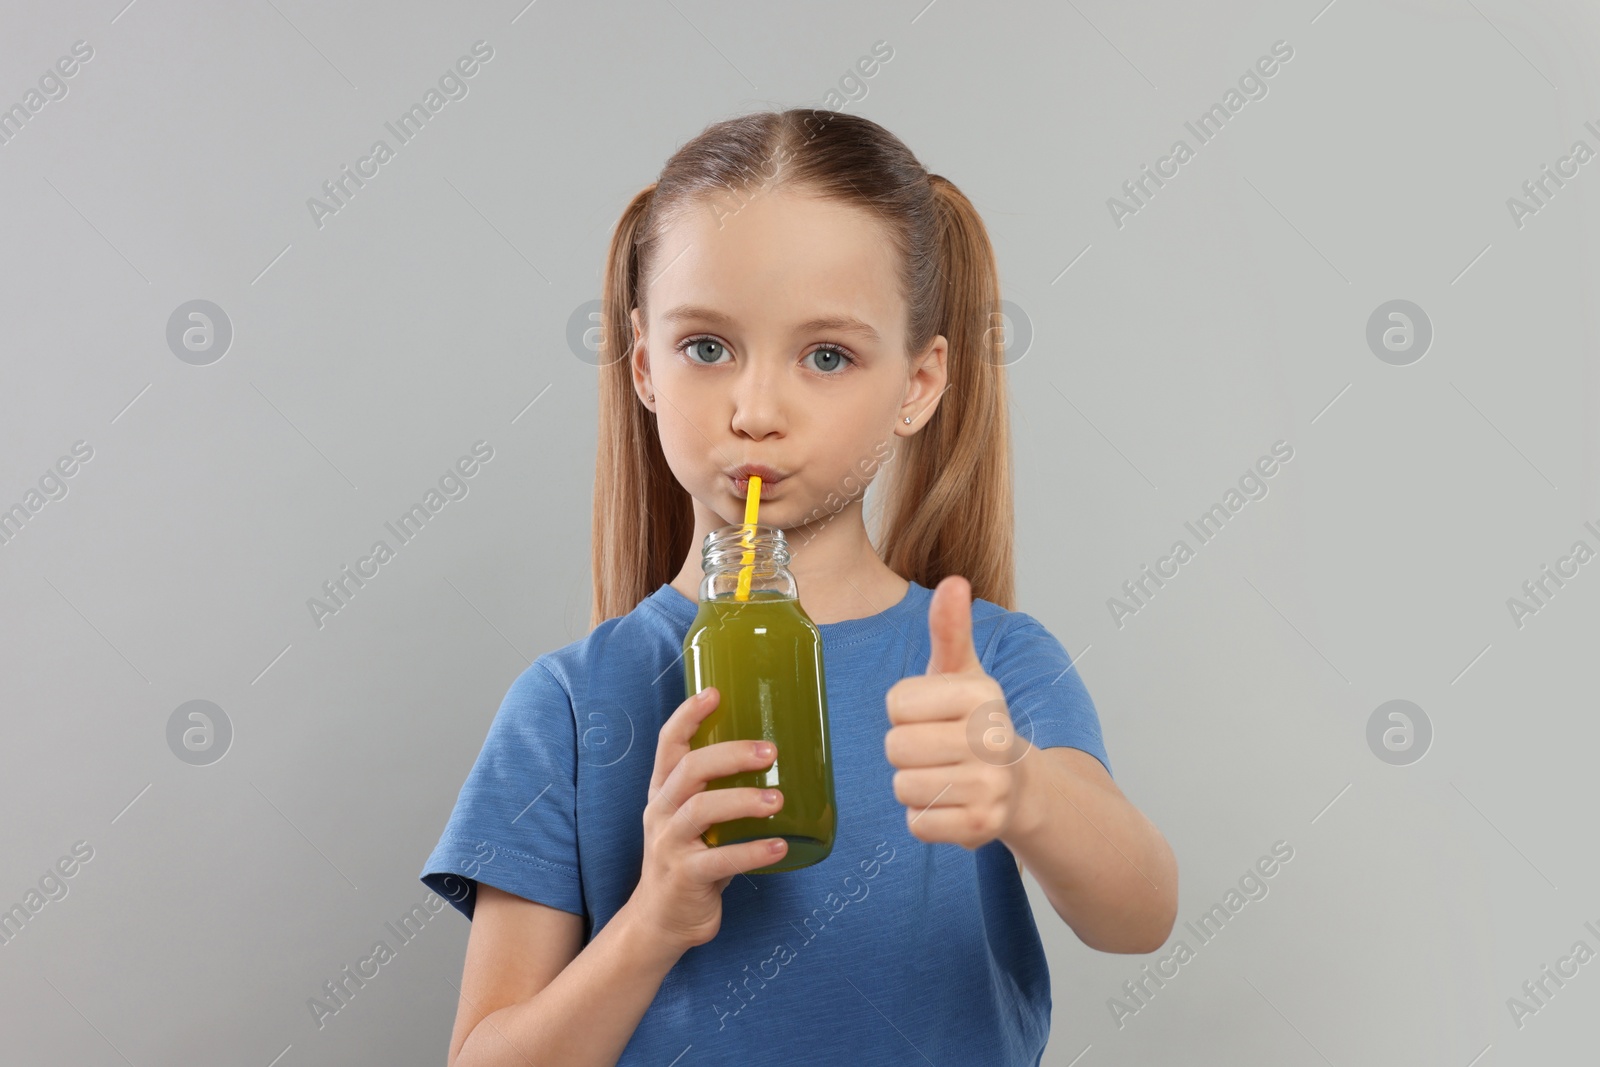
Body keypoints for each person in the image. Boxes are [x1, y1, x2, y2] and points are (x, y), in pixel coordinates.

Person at [419, 107, 1177, 1066]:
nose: (755, 410)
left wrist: (1023, 788)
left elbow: (1141, 916)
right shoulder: (568, 707)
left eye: (827, 356)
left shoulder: (991, 667)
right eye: (707, 347)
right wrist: (652, 920)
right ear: (644, 363)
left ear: (918, 382)